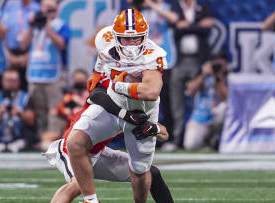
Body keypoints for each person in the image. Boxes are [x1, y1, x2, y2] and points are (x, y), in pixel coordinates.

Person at [67, 9, 167, 203]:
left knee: (139, 170)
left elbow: (150, 91)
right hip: (115, 103)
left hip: (142, 110)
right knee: (75, 142)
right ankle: (90, 201)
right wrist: (97, 72)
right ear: (115, 36)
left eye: (136, 39)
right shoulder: (104, 38)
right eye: (126, 39)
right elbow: (103, 58)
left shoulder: (153, 55)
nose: (131, 44)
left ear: (144, 37)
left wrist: (116, 84)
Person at [45, 123, 173, 203]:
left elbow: (164, 133)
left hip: (97, 153)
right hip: (72, 150)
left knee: (152, 173)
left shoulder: (129, 108)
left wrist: (153, 128)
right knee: (78, 185)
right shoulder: (103, 104)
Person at [162, 0, 213, 152]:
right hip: (179, 59)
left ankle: (203, 138)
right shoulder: (175, 7)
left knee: (201, 98)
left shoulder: (202, 6)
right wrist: (197, 26)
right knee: (175, 101)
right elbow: (174, 30)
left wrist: (186, 26)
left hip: (198, 60)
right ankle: (175, 138)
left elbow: (206, 31)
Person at [20, 0, 71, 150]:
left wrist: (47, 27)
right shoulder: (34, 26)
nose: (48, 13)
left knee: (54, 110)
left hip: (53, 75)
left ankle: (53, 141)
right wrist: (31, 26)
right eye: (46, 10)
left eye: (52, 10)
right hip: (35, 74)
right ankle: (42, 138)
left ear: (56, 10)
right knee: (40, 110)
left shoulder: (61, 25)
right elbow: (23, 45)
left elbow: (61, 44)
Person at [183, 53, 228, 151]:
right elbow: (190, 89)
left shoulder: (226, 77)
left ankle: (215, 140)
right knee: (190, 145)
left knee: (224, 108)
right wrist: (204, 74)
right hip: (200, 117)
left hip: (215, 116)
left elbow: (227, 97)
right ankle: (206, 142)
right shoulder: (202, 74)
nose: (217, 67)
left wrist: (218, 78)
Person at [0, 68, 35, 153]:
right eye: (8, 80)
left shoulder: (26, 97)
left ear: (19, 82)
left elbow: (31, 120)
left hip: (19, 135)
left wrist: (19, 113)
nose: (11, 83)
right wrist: (0, 113)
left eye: (14, 80)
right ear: (2, 81)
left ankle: (17, 145)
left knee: (32, 136)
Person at [1, 0, 40, 90]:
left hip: (30, 54)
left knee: (27, 89)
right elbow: (1, 34)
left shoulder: (37, 9)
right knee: (9, 85)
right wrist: (8, 55)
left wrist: (28, 56)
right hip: (10, 53)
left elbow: (40, 37)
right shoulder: (10, 6)